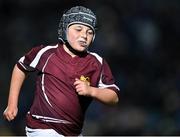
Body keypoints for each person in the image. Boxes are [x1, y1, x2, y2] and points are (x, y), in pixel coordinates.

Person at [3, 6, 120, 136]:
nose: (84, 35)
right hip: (41, 127)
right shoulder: (46, 53)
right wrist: (12, 103)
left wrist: (92, 91)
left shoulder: (97, 62)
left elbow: (113, 97)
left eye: (89, 32)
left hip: (74, 132)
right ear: (64, 29)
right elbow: (20, 68)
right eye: (78, 29)